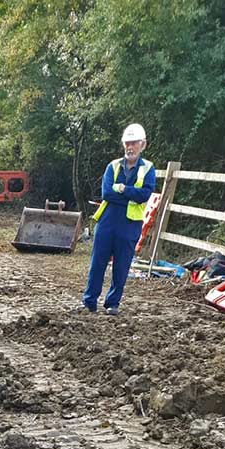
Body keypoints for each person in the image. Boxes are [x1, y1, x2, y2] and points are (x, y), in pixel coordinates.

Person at [75, 123, 156, 316]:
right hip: (107, 221)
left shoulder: (148, 169)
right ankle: (89, 302)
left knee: (122, 266)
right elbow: (107, 193)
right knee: (97, 263)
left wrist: (122, 189)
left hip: (130, 224)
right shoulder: (113, 166)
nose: (130, 147)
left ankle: (112, 303)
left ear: (142, 144)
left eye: (134, 143)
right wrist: (130, 194)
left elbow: (144, 195)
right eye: (127, 143)